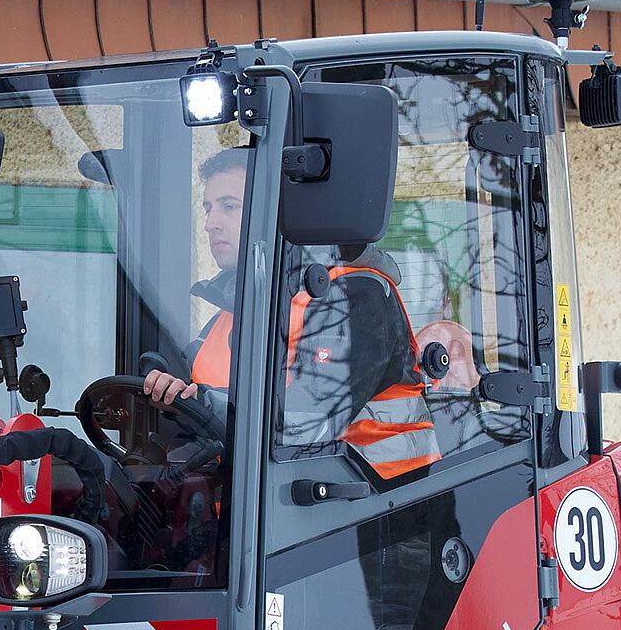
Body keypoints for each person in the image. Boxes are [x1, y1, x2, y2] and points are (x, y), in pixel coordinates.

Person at [139, 148, 447, 481]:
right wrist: (161, 379)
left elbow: (304, 422)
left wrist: (202, 402)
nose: (210, 224)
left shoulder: (354, 299)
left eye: (229, 206)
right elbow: (189, 386)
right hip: (266, 499)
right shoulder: (235, 313)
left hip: (377, 498)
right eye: (208, 208)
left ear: (278, 214)